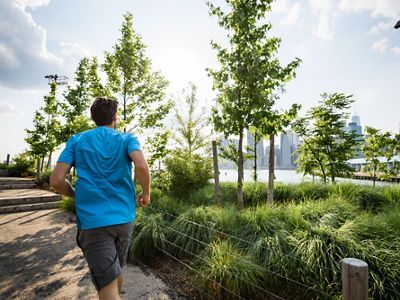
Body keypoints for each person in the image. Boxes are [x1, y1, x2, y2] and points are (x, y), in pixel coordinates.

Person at [50, 97, 150, 300]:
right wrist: (146, 193)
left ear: (93, 117)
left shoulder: (77, 140)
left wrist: (74, 195)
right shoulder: (127, 138)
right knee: (115, 272)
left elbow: (57, 180)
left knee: (107, 287)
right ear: (115, 117)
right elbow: (141, 165)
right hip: (124, 219)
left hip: (93, 222)